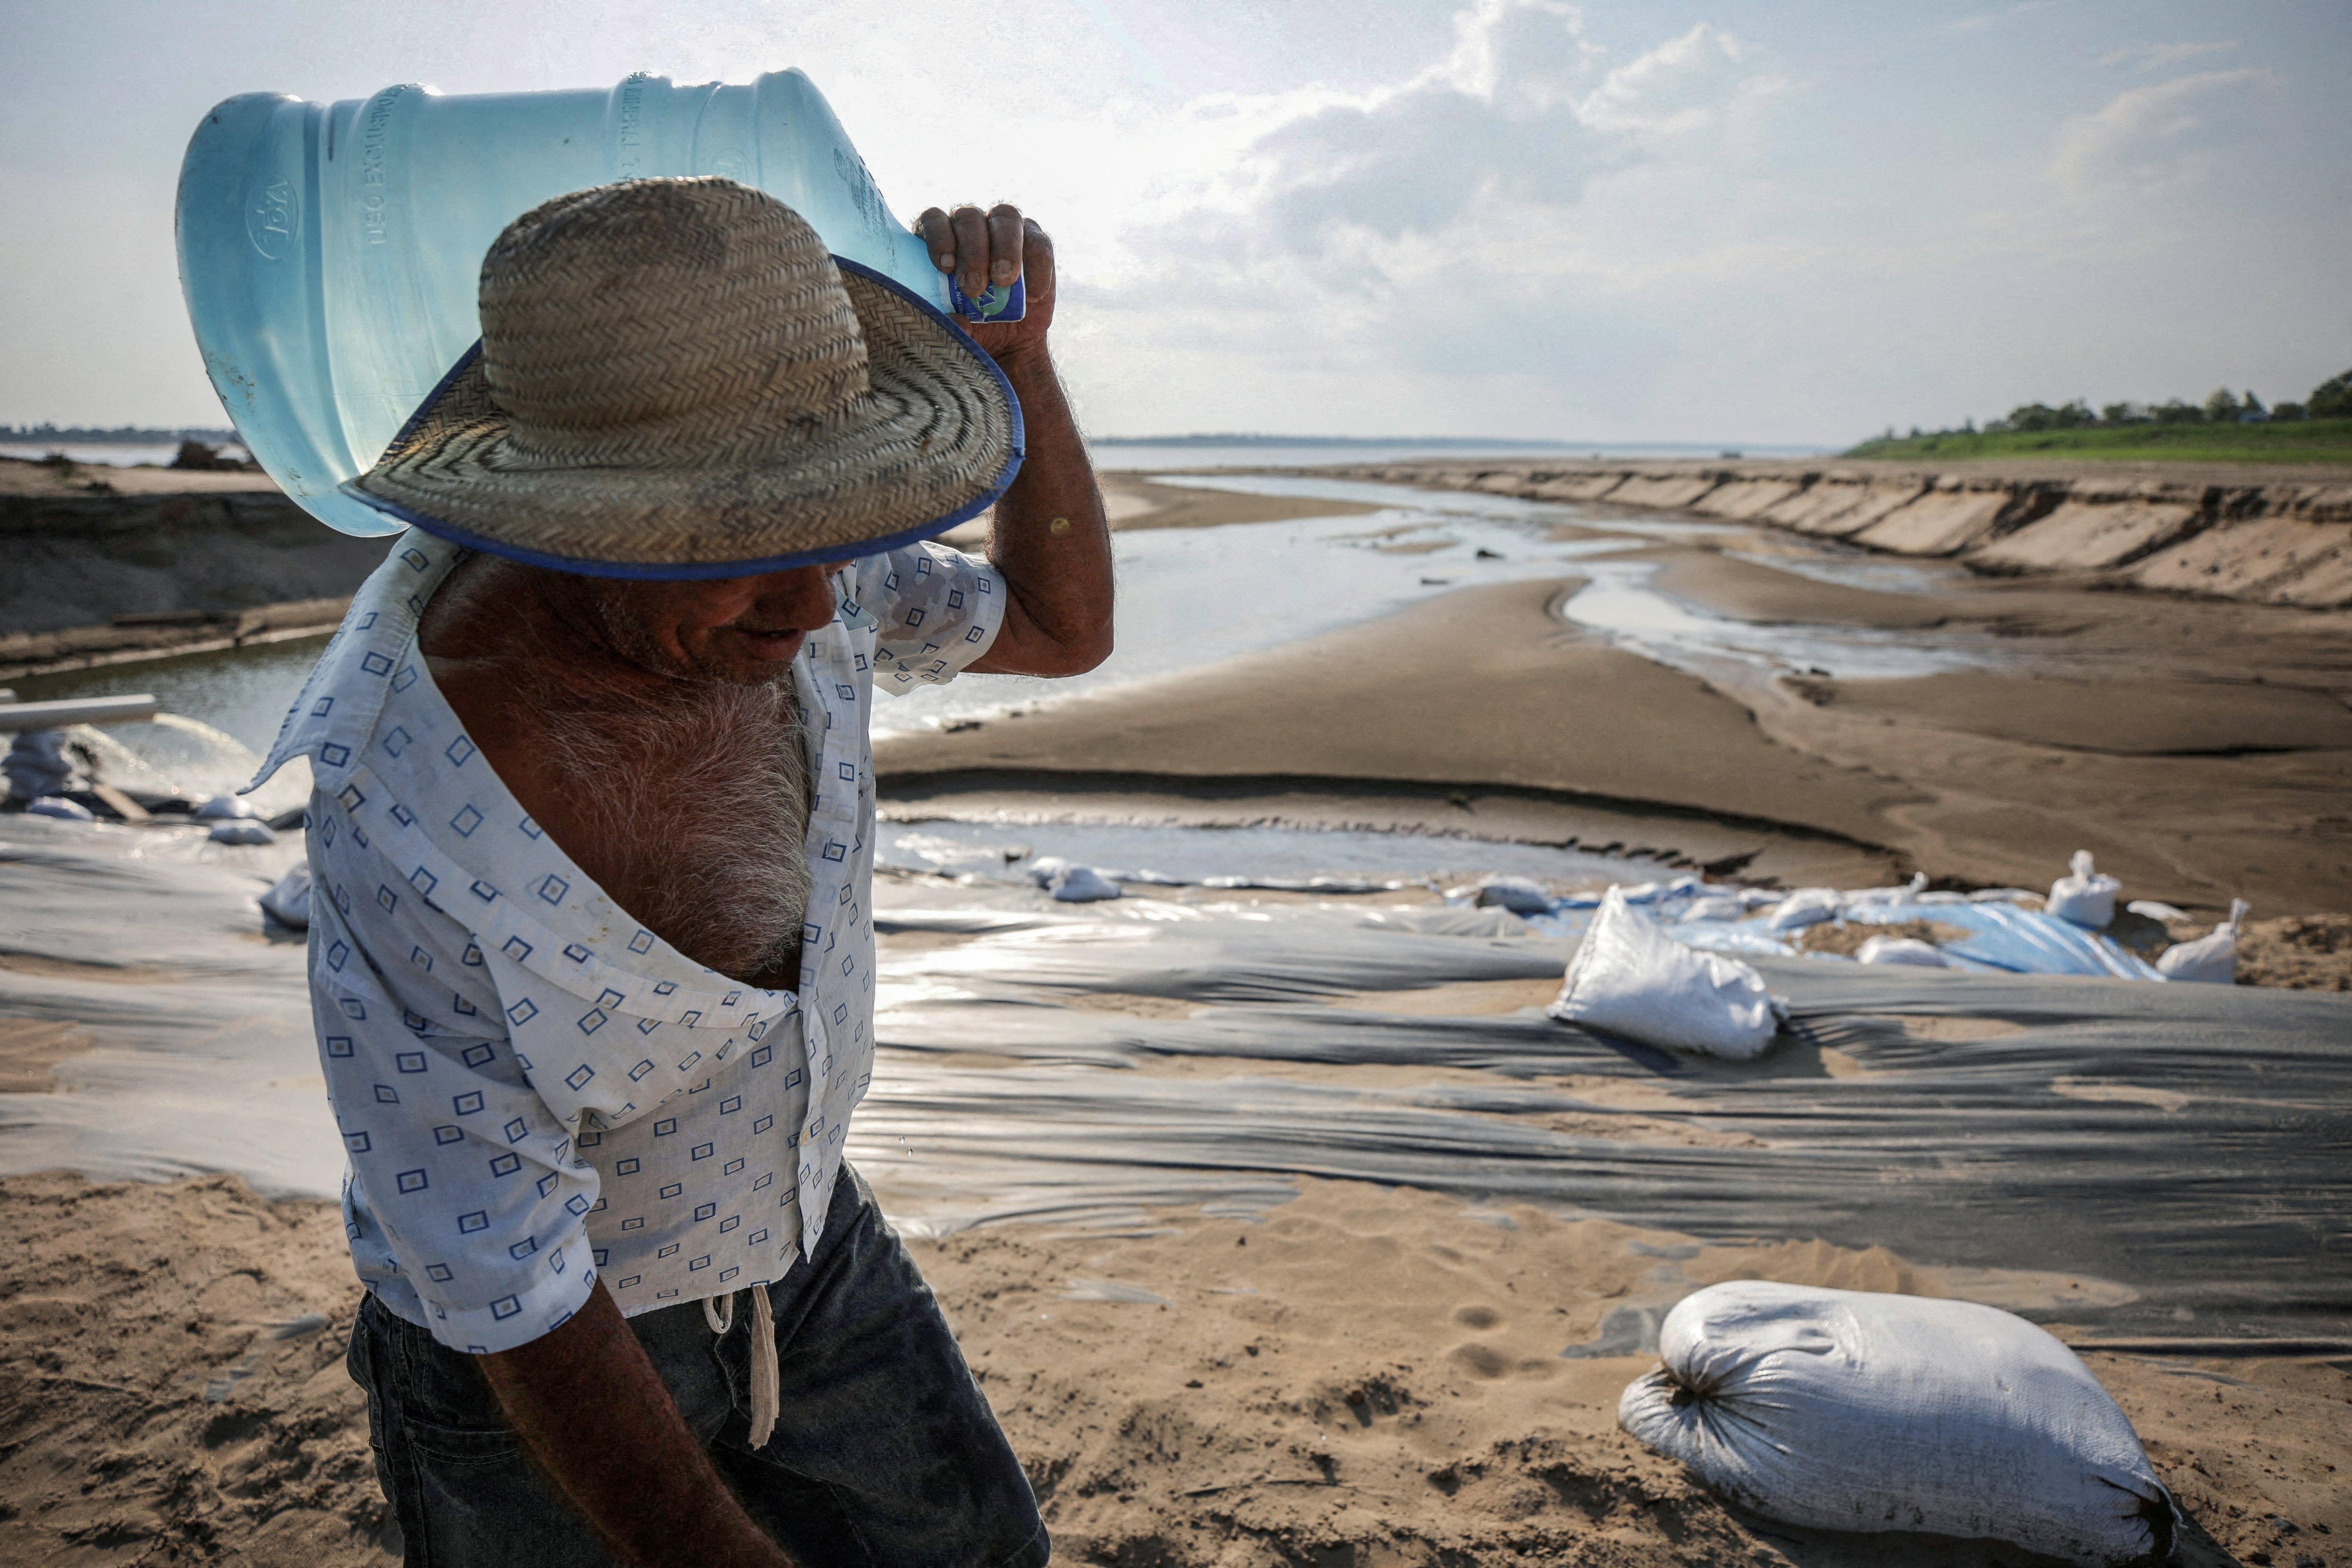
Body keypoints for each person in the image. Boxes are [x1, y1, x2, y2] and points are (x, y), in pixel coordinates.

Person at [244, 177, 1111, 1567]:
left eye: (828, 530)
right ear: (573, 518)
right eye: (750, 549)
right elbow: (504, 1276)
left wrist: (1020, 368)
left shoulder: (798, 569)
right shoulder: (412, 795)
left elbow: (1062, 630)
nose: (820, 602)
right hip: (535, 1347)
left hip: (807, 1233)